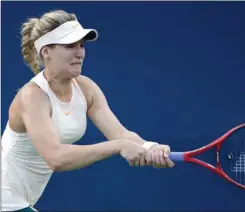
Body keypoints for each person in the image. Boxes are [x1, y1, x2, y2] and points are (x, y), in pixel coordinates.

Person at [1, 10, 174, 212]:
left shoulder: (85, 88)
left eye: (81, 45)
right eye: (70, 46)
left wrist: (149, 147)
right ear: (45, 51)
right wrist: (119, 146)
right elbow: (56, 158)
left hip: (18, 199)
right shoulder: (33, 96)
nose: (80, 53)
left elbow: (119, 133)